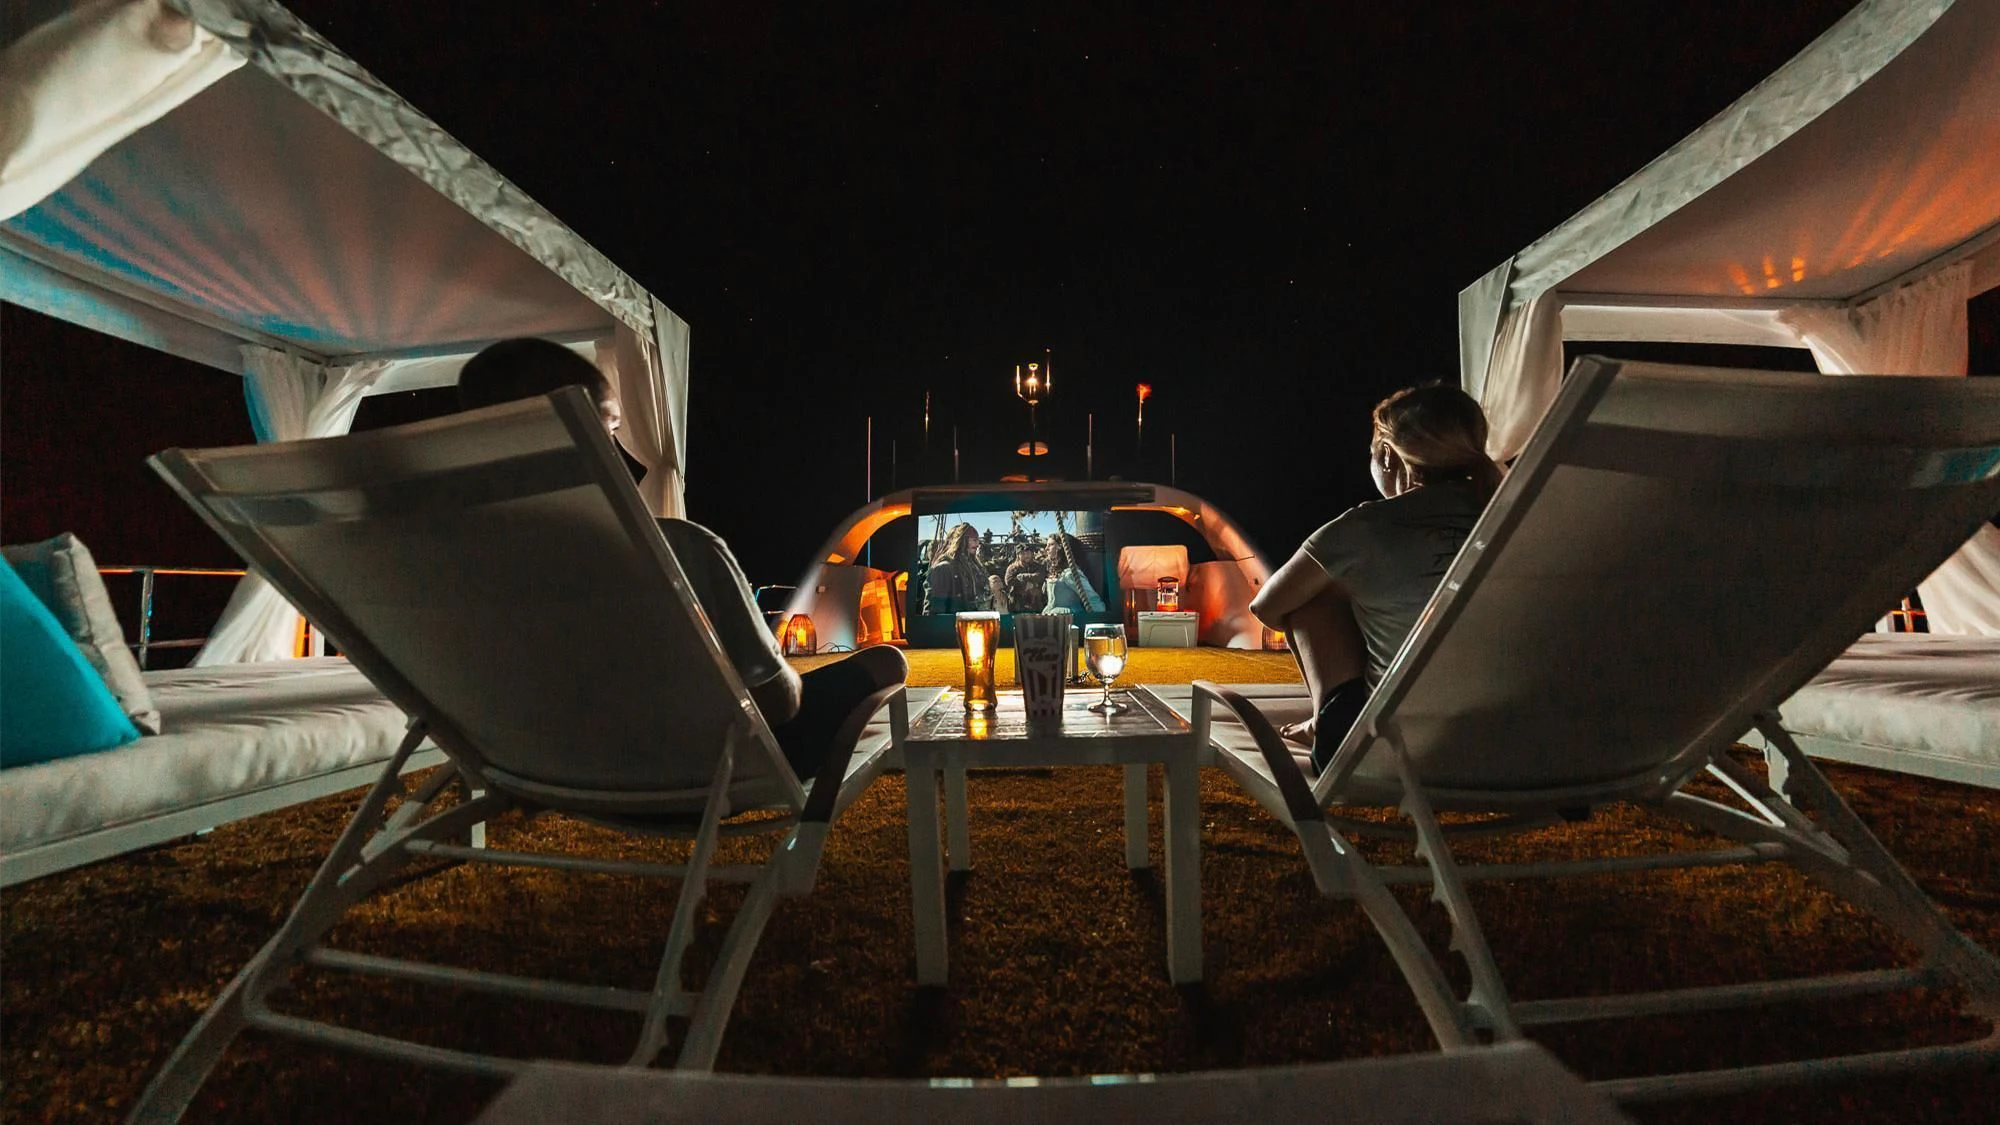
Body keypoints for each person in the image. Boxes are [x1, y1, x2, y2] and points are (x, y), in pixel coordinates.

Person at [455, 337, 906, 782]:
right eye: (610, 429)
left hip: (547, 769)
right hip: (707, 769)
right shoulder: (682, 549)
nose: (626, 460)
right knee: (887, 660)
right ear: (581, 434)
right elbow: (778, 703)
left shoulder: (459, 569)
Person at [1249, 383, 1502, 773]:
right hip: (1507, 745)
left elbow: (1267, 606)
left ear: (1386, 455)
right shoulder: (1517, 519)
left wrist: (1349, 602)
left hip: (1386, 755)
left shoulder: (1365, 527)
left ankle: (1326, 724)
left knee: (1314, 595)